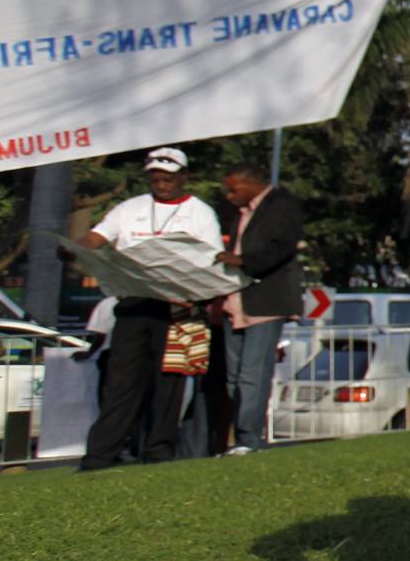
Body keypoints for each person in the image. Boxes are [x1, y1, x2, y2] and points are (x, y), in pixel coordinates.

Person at [79, 146, 225, 471]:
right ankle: (100, 456)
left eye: (168, 178)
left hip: (178, 306)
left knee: (169, 382)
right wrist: (80, 250)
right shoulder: (130, 208)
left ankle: (159, 451)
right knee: (121, 381)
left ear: (183, 177)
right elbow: (97, 237)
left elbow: (212, 258)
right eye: (155, 178)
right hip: (134, 304)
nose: (161, 184)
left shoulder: (200, 213)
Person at [219, 162, 306, 454]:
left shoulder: (283, 204)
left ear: (252, 184)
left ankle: (249, 438)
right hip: (237, 299)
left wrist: (243, 261)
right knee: (234, 374)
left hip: (266, 300)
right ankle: (239, 435)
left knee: (253, 372)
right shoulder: (241, 213)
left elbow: (283, 247)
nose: (230, 197)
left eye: (234, 190)